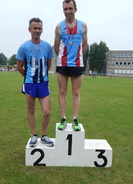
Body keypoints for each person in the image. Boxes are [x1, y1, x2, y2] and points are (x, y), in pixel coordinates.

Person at [16, 18, 54, 147]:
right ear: (29, 29)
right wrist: (28, 77)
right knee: (31, 110)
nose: (37, 31)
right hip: (29, 83)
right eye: (35, 28)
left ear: (42, 30)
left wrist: (41, 76)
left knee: (47, 112)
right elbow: (19, 66)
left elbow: (49, 65)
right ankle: (33, 135)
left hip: (43, 83)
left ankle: (44, 135)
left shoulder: (47, 46)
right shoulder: (24, 46)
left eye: (39, 28)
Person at [54, 0, 88, 131]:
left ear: (75, 9)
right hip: (62, 64)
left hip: (77, 64)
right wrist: (64, 58)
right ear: (63, 10)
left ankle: (75, 119)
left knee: (76, 92)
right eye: (65, 9)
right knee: (62, 91)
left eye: (70, 8)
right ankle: (63, 118)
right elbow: (56, 47)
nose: (68, 11)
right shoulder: (58, 27)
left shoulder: (83, 26)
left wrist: (76, 57)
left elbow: (85, 46)